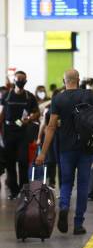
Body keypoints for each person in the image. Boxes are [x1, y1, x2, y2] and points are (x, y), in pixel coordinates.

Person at [35, 69, 93, 235]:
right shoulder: (88, 95)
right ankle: (78, 224)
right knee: (83, 184)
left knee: (66, 183)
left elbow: (51, 126)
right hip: (85, 147)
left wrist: (42, 153)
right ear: (78, 79)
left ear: (64, 80)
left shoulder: (58, 98)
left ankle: (64, 207)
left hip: (66, 149)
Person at [0, 71, 40, 199]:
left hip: (23, 132)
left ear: (26, 80)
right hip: (8, 132)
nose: (21, 81)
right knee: (10, 163)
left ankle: (24, 189)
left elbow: (37, 112)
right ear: (14, 80)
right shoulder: (6, 96)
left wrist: (30, 117)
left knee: (23, 161)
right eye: (19, 79)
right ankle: (13, 190)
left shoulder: (29, 97)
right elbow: (1, 114)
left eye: (23, 79)